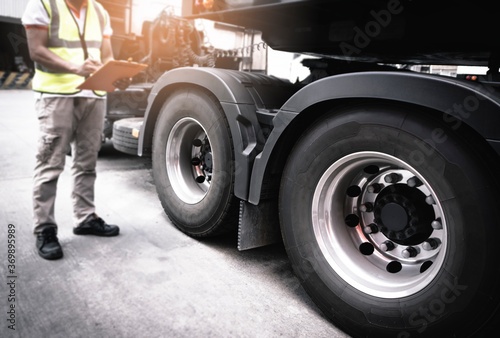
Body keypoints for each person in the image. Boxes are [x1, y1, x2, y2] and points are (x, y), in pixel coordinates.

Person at [23, 0, 130, 260]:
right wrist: (74, 68)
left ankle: (85, 218)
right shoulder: (42, 5)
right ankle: (44, 228)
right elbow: (36, 50)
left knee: (87, 161)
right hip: (56, 95)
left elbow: (106, 53)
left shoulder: (98, 11)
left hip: (93, 95)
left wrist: (114, 71)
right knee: (50, 162)